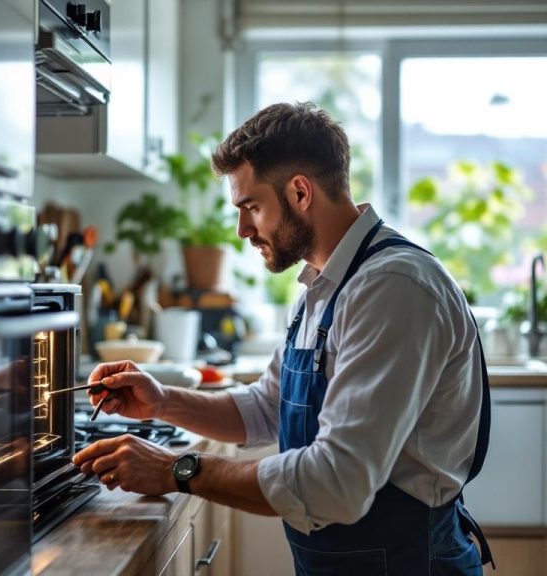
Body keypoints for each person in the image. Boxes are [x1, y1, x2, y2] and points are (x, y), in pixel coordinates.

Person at [73, 102, 494, 575]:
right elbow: (266, 407)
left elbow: (336, 482)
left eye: (251, 206)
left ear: (299, 192)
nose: (242, 230)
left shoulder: (393, 288)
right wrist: (161, 401)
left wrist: (177, 470)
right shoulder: (323, 284)